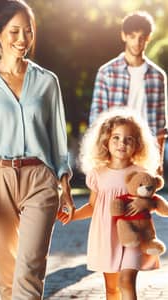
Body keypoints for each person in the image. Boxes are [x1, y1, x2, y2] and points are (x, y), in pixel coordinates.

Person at [0, 0, 75, 299]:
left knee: (28, 271)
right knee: (5, 278)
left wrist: (65, 186)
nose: (23, 40)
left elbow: (58, 141)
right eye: (14, 31)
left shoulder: (47, 82)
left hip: (40, 180)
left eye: (28, 31)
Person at [59, 108, 163, 299]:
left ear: (137, 144)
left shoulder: (141, 173)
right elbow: (93, 206)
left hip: (134, 236)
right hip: (107, 236)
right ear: (106, 140)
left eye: (128, 139)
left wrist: (143, 204)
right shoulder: (98, 174)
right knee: (112, 289)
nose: (121, 143)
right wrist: (73, 215)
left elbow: (153, 200)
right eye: (116, 137)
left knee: (126, 281)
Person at [89, 11, 167, 173]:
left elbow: (161, 127)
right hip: (115, 155)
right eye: (132, 36)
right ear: (124, 36)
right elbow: (97, 121)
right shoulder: (107, 72)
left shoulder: (158, 76)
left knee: (143, 199)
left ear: (148, 38)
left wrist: (158, 163)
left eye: (141, 37)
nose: (137, 42)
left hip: (144, 156)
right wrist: (99, 160)